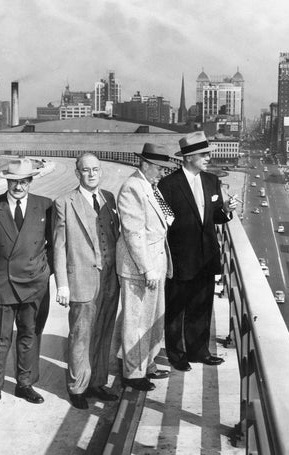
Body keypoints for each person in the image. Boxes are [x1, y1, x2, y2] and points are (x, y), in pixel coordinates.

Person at [0, 158, 52, 410]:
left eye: (24, 181)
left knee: (29, 335)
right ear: (7, 181)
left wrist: (43, 270)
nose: (19, 187)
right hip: (1, 284)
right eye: (14, 182)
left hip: (34, 283)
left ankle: (24, 384)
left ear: (30, 181)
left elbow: (56, 243)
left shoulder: (45, 206)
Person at [158, 131, 238, 372]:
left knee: (202, 306)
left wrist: (227, 209)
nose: (208, 159)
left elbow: (215, 216)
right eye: (204, 155)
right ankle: (176, 354)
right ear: (189, 157)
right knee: (176, 309)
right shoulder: (168, 184)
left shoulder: (212, 181)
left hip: (207, 256)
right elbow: (165, 220)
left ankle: (199, 351)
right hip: (181, 257)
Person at [53, 153, 120, 409]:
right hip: (82, 279)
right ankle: (77, 387)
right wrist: (62, 284)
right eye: (86, 170)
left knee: (104, 332)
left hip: (110, 278)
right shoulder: (64, 202)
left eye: (95, 169)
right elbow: (59, 246)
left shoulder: (109, 198)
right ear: (77, 173)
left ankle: (97, 382)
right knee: (81, 334)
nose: (91, 174)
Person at [116, 143, 178, 391]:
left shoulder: (150, 187)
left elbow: (166, 220)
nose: (163, 173)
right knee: (136, 321)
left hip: (156, 262)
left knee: (153, 318)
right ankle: (132, 373)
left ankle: (147, 364)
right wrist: (147, 269)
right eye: (160, 169)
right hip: (139, 268)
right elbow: (133, 233)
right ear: (146, 165)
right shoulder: (132, 188)